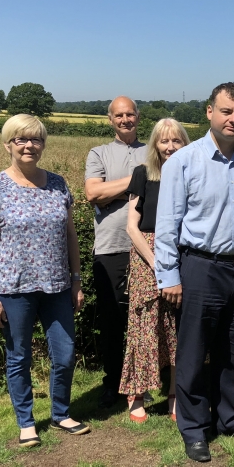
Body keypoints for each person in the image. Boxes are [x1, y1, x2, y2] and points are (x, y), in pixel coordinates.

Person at [155, 82, 234, 463]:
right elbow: (167, 224)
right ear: (209, 112)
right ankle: (194, 428)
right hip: (200, 267)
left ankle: (229, 418)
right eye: (226, 112)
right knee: (193, 351)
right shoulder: (183, 162)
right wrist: (168, 274)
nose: (233, 120)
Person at [0, 114, 89, 448]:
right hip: (15, 289)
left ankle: (60, 413)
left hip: (57, 287)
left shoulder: (58, 184)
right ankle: (26, 422)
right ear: (8, 144)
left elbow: (70, 236)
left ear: (43, 144)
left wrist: (76, 280)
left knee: (65, 354)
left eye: (36, 139)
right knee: (19, 357)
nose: (29, 146)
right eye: (21, 139)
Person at [119, 118, 191, 423]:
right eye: (164, 141)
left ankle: (175, 393)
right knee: (143, 324)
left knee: (177, 326)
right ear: (155, 145)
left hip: (182, 251)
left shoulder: (192, 175)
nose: (170, 147)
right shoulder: (143, 174)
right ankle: (136, 393)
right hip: (146, 254)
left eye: (176, 141)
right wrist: (156, 261)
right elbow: (132, 227)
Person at [84, 96, 148, 408]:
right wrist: (138, 182)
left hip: (147, 246)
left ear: (138, 117)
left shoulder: (152, 151)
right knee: (112, 320)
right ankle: (112, 382)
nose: (125, 120)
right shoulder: (99, 153)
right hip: (110, 246)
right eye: (119, 115)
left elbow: (164, 190)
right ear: (110, 120)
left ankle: (144, 381)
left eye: (130, 114)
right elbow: (94, 192)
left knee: (144, 318)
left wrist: (114, 191)